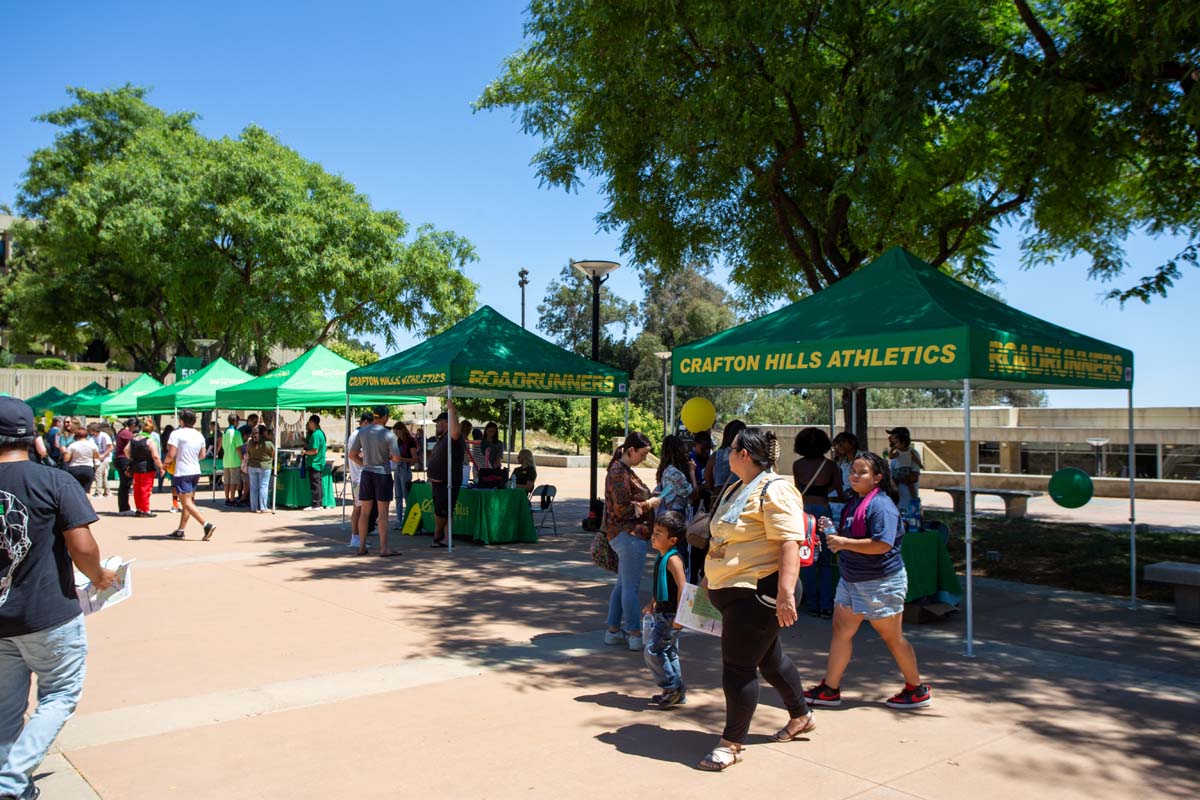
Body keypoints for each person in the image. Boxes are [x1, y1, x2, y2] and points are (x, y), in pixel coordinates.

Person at [0, 396, 117, 800]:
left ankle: (8, 775)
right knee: (60, 694)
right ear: (32, 435)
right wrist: (100, 576)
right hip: (49, 614)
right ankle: (11, 781)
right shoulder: (53, 480)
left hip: (2, 620)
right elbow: (81, 546)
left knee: (6, 707)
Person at [697, 427, 814, 772]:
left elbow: (789, 542)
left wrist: (785, 594)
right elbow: (723, 538)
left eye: (731, 449)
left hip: (759, 592)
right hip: (731, 588)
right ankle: (801, 715)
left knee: (738, 667)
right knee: (770, 660)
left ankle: (731, 743)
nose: (727, 454)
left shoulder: (776, 489)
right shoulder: (737, 487)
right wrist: (708, 576)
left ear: (744, 454)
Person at [804, 452, 932, 711]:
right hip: (852, 580)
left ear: (877, 478)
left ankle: (916, 689)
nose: (854, 476)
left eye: (861, 472)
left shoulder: (882, 506)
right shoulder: (855, 501)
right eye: (852, 471)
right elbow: (853, 538)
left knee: (893, 638)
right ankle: (830, 688)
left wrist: (844, 543)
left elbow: (882, 545)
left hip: (880, 582)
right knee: (841, 632)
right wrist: (834, 533)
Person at [603, 431, 654, 651]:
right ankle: (634, 634)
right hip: (628, 534)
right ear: (631, 450)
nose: (644, 459)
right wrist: (650, 504)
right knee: (630, 588)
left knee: (623, 585)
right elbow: (623, 509)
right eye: (642, 454)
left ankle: (613, 630)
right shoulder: (618, 472)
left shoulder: (622, 470)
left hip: (625, 535)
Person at [793, 427, 844, 619]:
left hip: (804, 513)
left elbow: (799, 490)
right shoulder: (830, 466)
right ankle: (826, 605)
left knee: (806, 557)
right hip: (824, 512)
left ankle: (812, 604)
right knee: (825, 560)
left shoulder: (798, 465)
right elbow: (839, 492)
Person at [642, 510, 688, 708]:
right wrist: (653, 602)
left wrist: (680, 614)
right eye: (654, 531)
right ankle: (675, 692)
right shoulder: (662, 557)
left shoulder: (672, 559)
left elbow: (683, 587)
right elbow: (663, 585)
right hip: (663, 611)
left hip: (670, 615)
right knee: (668, 652)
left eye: (659, 533)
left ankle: (672, 686)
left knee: (653, 650)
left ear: (673, 539)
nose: (653, 535)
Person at [694, 420, 746, 584]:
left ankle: (710, 577)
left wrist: (718, 491)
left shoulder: (716, 455)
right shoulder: (745, 456)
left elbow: (708, 479)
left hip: (717, 502)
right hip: (739, 503)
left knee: (715, 543)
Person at [348, 406, 402, 557]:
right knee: (382, 513)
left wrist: (364, 463)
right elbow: (397, 458)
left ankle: (361, 546)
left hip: (366, 473)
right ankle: (384, 548)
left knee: (364, 512)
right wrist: (389, 458)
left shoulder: (362, 432)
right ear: (385, 417)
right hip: (382, 474)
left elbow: (352, 455)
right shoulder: (388, 434)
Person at [165, 409, 215, 541]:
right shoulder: (199, 435)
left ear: (181, 420)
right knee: (188, 501)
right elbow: (203, 455)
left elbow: (171, 454)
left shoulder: (176, 434)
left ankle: (206, 524)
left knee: (186, 502)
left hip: (182, 471)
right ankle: (181, 530)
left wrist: (164, 465)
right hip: (195, 470)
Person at [427, 404, 466, 548]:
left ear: (445, 422)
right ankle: (446, 538)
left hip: (448, 481)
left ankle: (438, 534)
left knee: (443, 511)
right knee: (445, 511)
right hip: (438, 481)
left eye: (438, 422)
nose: (436, 425)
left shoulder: (453, 436)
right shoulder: (442, 438)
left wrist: (452, 412)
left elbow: (456, 431)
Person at [641, 434, 694, 520]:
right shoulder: (674, 473)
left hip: (666, 513)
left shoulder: (663, 470)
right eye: (683, 451)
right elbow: (692, 493)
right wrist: (692, 472)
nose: (686, 454)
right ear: (678, 451)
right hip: (676, 513)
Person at [346, 412, 372, 547]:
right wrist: (367, 464)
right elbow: (354, 456)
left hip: (358, 476)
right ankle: (356, 537)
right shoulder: (358, 436)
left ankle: (357, 537)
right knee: (360, 509)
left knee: (358, 507)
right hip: (360, 477)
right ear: (366, 423)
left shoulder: (356, 435)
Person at [128, 420, 162, 518]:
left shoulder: (134, 439)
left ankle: (138, 509)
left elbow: (126, 450)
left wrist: (131, 458)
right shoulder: (150, 440)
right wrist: (161, 467)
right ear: (151, 431)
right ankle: (146, 509)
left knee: (137, 489)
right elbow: (155, 456)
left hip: (136, 466)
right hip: (147, 467)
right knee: (146, 489)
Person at [886, 427, 922, 512]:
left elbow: (914, 477)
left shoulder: (912, 453)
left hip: (907, 503)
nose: (889, 438)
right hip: (896, 503)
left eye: (893, 436)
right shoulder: (896, 453)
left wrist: (897, 479)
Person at [392, 422, 418, 531]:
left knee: (406, 494)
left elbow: (415, 459)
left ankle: (408, 519)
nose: (396, 434)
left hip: (405, 468)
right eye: (395, 432)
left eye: (397, 432)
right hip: (397, 468)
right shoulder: (398, 441)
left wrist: (402, 459)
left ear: (402, 430)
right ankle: (398, 520)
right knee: (397, 495)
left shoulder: (410, 441)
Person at [245, 424, 275, 514]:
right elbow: (273, 454)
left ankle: (253, 507)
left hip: (252, 466)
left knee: (253, 488)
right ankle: (263, 507)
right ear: (264, 432)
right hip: (265, 466)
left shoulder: (250, 442)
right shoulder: (268, 442)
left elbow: (248, 453)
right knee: (263, 486)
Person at [62, 428, 99, 495]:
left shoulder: (72, 446)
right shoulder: (93, 445)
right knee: (87, 492)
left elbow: (66, 459)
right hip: (88, 468)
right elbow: (96, 457)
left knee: (75, 491)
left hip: (74, 469)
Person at [113, 417, 138, 517]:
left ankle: (125, 506)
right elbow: (134, 442)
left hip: (120, 459)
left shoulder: (122, 432)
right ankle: (123, 508)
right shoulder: (126, 433)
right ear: (132, 425)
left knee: (125, 484)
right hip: (123, 460)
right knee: (125, 484)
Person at [301, 415, 327, 510]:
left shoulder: (316, 434)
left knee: (315, 484)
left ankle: (316, 504)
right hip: (317, 462)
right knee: (317, 483)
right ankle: (318, 503)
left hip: (315, 462)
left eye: (309, 423)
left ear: (313, 422)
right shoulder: (319, 433)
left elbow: (314, 450)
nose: (308, 425)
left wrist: (305, 452)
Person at [221, 414, 244, 508]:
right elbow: (238, 447)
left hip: (226, 460)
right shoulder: (236, 433)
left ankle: (226, 498)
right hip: (235, 460)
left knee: (226, 481)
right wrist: (242, 458)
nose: (238, 423)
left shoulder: (225, 432)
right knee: (233, 481)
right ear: (235, 422)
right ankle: (232, 499)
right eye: (238, 421)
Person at [689, 431, 713, 513]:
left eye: (709, 449)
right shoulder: (689, 461)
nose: (706, 452)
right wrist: (704, 486)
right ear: (695, 446)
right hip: (694, 506)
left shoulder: (711, 460)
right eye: (703, 449)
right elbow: (688, 491)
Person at [89, 423, 113, 498]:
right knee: (104, 475)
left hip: (106, 458)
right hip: (97, 459)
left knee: (98, 473)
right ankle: (107, 491)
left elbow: (111, 447)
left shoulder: (104, 436)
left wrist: (103, 455)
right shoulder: (92, 438)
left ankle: (98, 492)